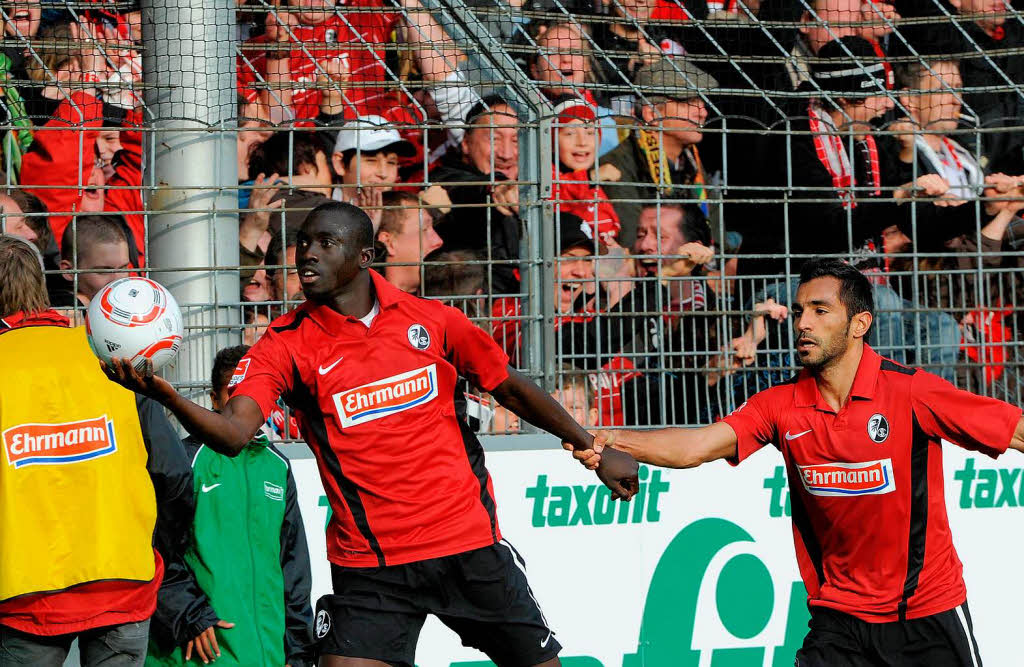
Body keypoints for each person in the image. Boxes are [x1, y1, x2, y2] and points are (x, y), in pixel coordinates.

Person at [102, 201, 640, 667]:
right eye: (303, 243)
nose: (307, 253)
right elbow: (234, 433)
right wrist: (166, 394)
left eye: (326, 243)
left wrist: (593, 450)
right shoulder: (285, 345)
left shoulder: (432, 320)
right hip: (371, 567)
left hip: (466, 546)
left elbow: (511, 388)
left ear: (363, 256)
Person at [568, 258, 1024, 666]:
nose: (803, 323)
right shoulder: (779, 404)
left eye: (821, 311)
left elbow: (1015, 429)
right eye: (801, 310)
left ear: (859, 323)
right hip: (838, 620)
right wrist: (607, 437)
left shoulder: (910, 392)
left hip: (925, 614)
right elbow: (697, 447)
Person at [0, 235, 216, 666]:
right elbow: (172, 475)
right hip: (124, 582)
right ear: (42, 289)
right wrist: (159, 555)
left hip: (26, 595)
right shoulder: (108, 355)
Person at [145, 345, 316, 667]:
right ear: (213, 398)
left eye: (253, 395)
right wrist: (188, 614)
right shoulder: (183, 460)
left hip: (267, 653)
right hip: (197, 653)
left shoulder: (276, 466)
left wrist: (298, 649)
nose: (243, 406)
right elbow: (154, 549)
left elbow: (293, 567)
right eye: (233, 393)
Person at [597, 58, 717, 245]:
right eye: (687, 103)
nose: (702, 113)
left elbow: (718, 236)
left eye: (702, 103)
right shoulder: (618, 165)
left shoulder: (693, 163)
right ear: (652, 114)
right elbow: (631, 241)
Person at [430, 96, 522, 293]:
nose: (506, 153)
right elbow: (464, 188)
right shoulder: (445, 179)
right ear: (466, 143)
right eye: (493, 139)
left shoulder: (535, 185)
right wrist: (496, 186)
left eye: (516, 140)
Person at [375, 190, 443, 294]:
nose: (438, 241)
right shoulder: (363, 306)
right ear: (388, 242)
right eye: (424, 229)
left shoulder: (445, 303)